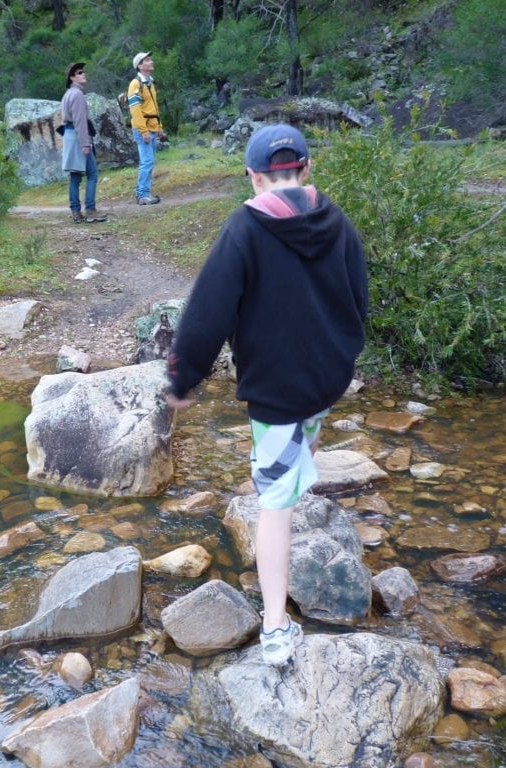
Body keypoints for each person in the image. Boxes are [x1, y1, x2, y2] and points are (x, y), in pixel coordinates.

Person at [165, 124, 368, 666]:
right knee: (303, 451)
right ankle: (304, 481)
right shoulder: (338, 220)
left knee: (273, 505)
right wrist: (342, 356)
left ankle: (275, 628)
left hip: (278, 392)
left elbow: (208, 313)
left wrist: (183, 380)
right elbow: (358, 295)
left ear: (253, 177)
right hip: (327, 379)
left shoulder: (245, 227)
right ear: (305, 170)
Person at [61, 62, 107, 224]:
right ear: (72, 77)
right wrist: (85, 143)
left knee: (75, 176)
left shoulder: (68, 94)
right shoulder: (78, 95)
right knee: (92, 174)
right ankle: (90, 210)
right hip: (78, 136)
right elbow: (80, 121)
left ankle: (75, 211)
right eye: (79, 72)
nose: (83, 74)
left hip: (69, 135)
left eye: (83, 72)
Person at [127, 52, 167, 205]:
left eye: (150, 59)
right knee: (147, 161)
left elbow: (154, 108)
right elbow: (135, 110)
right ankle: (142, 194)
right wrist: (144, 131)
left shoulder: (150, 82)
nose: (151, 61)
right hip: (142, 129)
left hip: (151, 127)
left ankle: (144, 192)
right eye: (147, 60)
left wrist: (159, 128)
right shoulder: (135, 84)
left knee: (149, 161)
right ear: (140, 65)